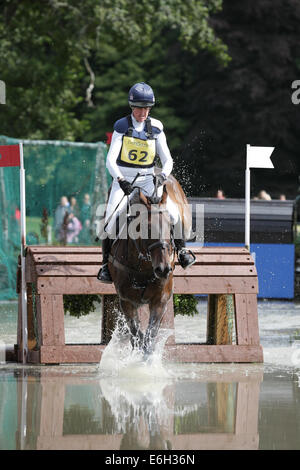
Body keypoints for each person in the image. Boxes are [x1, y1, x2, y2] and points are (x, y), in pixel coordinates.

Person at [97, 82, 195, 283]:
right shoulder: (122, 126)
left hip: (149, 180)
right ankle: (105, 266)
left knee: (174, 215)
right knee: (109, 224)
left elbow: (167, 160)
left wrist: (163, 175)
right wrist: (121, 180)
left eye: (146, 108)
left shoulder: (156, 127)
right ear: (132, 107)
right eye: (140, 107)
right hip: (124, 180)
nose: (143, 112)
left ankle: (182, 250)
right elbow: (110, 160)